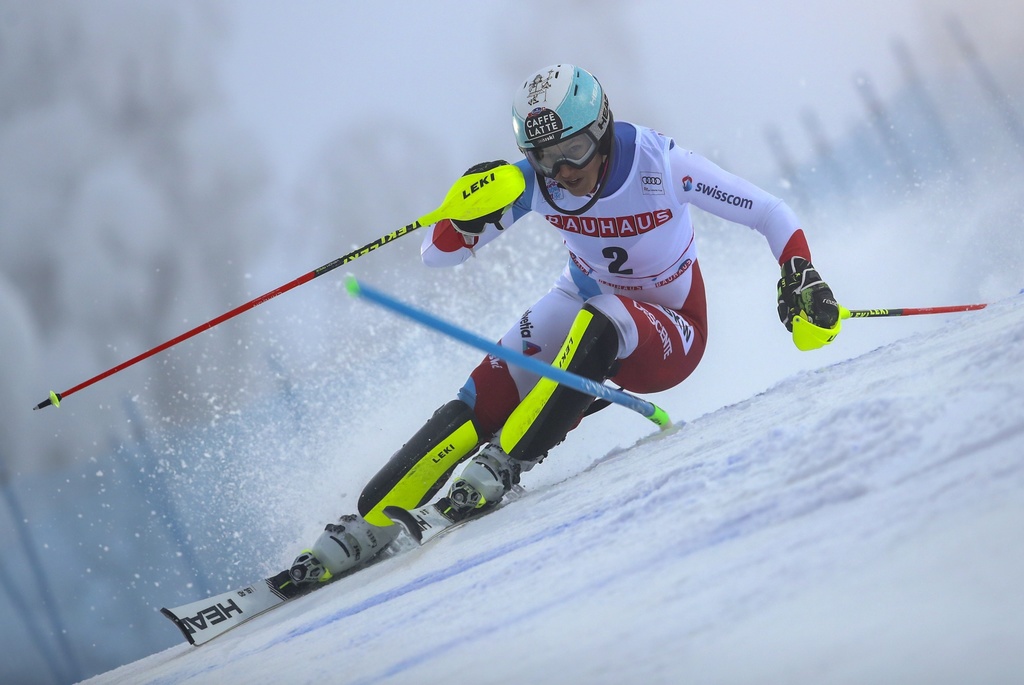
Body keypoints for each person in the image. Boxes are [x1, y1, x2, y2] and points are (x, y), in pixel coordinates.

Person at [277, 64, 840, 592]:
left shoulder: (661, 165)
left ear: (604, 128)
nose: (565, 172)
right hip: (582, 299)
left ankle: (509, 461)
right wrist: (462, 212)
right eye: (548, 158)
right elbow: (435, 256)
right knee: (481, 395)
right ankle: (369, 522)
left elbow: (771, 212)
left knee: (600, 319)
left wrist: (801, 272)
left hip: (672, 331)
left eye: (575, 149)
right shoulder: (534, 181)